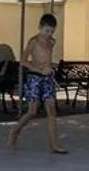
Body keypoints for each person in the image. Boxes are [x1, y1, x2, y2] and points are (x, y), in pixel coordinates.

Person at [8, 14, 66, 153]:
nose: (49, 34)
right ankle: (15, 131)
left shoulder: (51, 42)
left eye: (52, 31)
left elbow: (46, 59)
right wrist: (39, 70)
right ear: (40, 27)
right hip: (34, 78)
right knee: (32, 111)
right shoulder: (33, 42)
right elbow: (23, 61)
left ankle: (53, 145)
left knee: (52, 111)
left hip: (47, 79)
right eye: (46, 31)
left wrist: (51, 66)